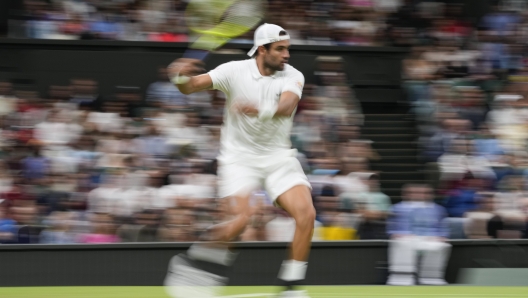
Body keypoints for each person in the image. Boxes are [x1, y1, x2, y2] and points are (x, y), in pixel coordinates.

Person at [165, 23, 315, 298]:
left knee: (306, 215)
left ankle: (291, 287)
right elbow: (191, 87)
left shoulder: (293, 76)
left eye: (287, 49)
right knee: (240, 222)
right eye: (280, 49)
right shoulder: (233, 71)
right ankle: (193, 258)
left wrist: (256, 108)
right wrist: (177, 76)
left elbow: (286, 107)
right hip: (239, 159)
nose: (287, 55)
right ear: (262, 50)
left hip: (278, 157)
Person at [386, 184, 451, 286]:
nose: (420, 195)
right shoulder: (397, 208)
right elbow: (391, 227)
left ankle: (431, 277)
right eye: (415, 192)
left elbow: (442, 227)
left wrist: (442, 236)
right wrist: (396, 234)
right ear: (406, 194)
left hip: (430, 238)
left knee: (442, 246)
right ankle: (401, 277)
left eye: (424, 193)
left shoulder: (438, 209)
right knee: (403, 244)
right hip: (405, 238)